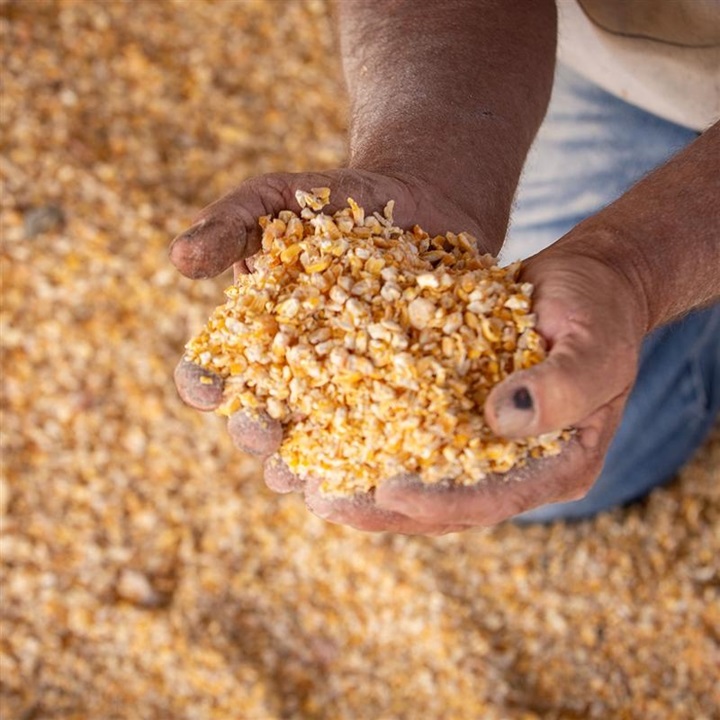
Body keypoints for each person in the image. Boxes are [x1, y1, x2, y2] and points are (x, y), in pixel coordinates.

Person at [170, 0, 720, 534]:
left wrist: (647, 267)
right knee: (524, 451)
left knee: (614, 430)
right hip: (634, 69)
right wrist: (425, 164)